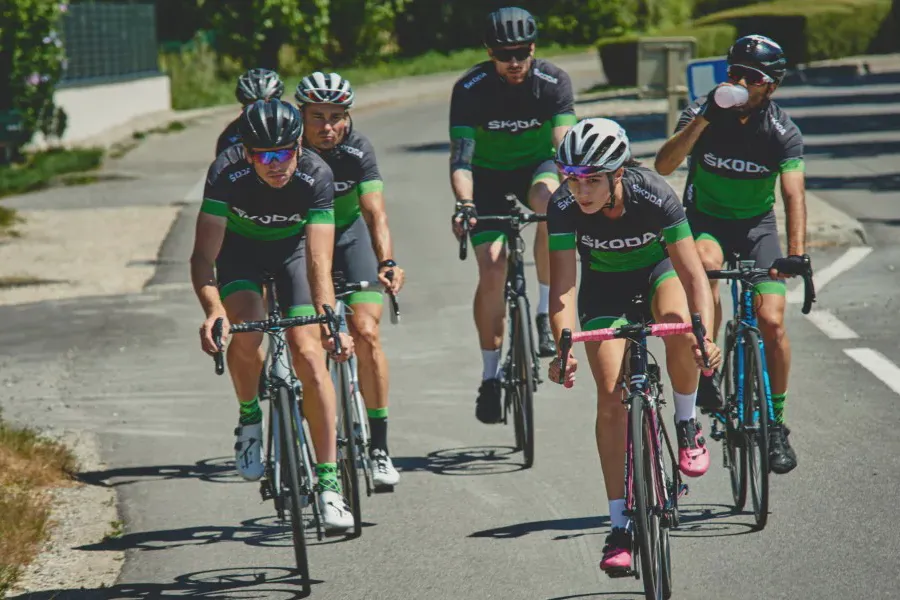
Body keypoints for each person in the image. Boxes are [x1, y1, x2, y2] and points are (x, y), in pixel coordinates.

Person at [547, 118, 722, 574]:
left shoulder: (654, 194)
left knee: (677, 324)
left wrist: (705, 335)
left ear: (617, 174)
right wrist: (561, 348)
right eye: (572, 178)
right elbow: (563, 290)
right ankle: (620, 524)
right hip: (603, 289)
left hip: (657, 274)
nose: (580, 191)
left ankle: (686, 421)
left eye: (591, 181)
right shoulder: (563, 206)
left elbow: (692, 275)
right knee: (609, 395)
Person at [192, 98, 355, 532]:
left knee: (310, 355)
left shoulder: (316, 173)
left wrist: (329, 319)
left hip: (293, 253)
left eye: (284, 152)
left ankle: (329, 484)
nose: (276, 164)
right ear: (247, 153)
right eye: (264, 155)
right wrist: (213, 312)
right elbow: (203, 257)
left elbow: (320, 260)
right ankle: (249, 417)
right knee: (244, 335)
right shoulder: (226, 173)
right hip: (239, 254)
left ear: (298, 146)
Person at [654, 34, 805, 474]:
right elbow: (664, 165)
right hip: (705, 222)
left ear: (770, 87)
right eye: (732, 72)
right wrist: (701, 121)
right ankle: (706, 369)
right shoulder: (703, 112)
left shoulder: (782, 132)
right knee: (706, 265)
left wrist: (795, 254)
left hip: (757, 227)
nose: (738, 81)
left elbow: (793, 194)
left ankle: (775, 424)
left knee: (772, 320)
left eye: (750, 77)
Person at [449, 6, 577, 424]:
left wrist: (576, 183)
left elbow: (563, 144)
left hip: (534, 168)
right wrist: (465, 204)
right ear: (490, 52)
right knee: (491, 267)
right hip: (485, 178)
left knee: (549, 203)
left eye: (522, 52)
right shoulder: (470, 88)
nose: (515, 62)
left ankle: (542, 312)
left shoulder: (552, 82)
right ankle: (489, 376)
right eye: (505, 54)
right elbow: (462, 159)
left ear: (533, 48)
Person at [294, 71, 405, 489]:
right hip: (299, 243)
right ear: (300, 115)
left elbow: (375, 211)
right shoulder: (289, 150)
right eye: (317, 116)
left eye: (337, 116)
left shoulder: (357, 148)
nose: (327, 127)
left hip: (348, 236)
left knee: (366, 331)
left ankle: (379, 448)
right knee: (309, 344)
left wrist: (388, 260)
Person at [215, 68, 285, 156]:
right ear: (244, 106)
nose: (260, 112)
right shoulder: (230, 137)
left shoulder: (291, 127)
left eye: (266, 105)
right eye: (253, 106)